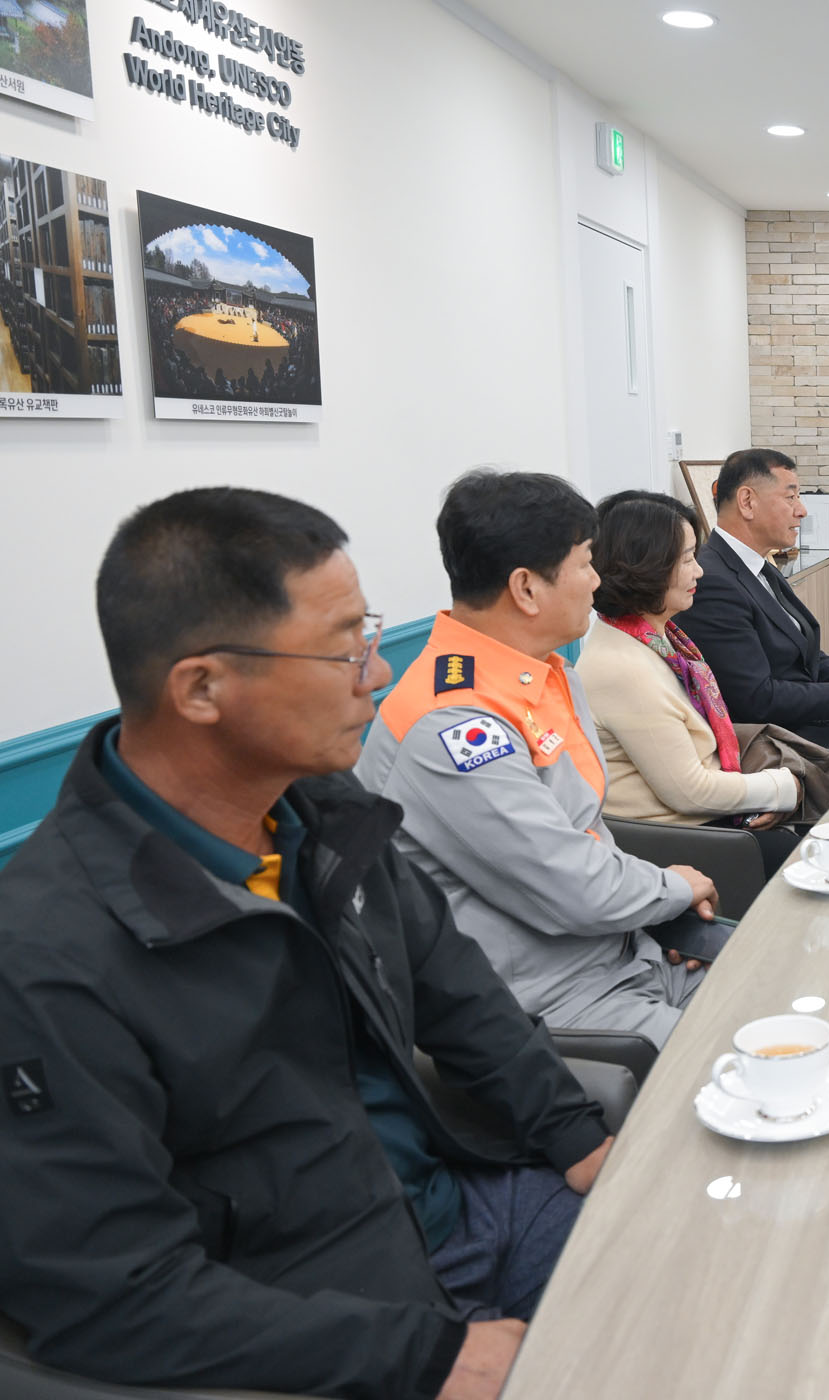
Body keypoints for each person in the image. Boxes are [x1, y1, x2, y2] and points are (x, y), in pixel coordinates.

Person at [0, 488, 611, 1399]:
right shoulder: (47, 953)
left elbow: (455, 989)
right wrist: (426, 1356)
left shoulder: (320, 815)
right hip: (323, 1315)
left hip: (462, 1207)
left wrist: (575, 1134)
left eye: (369, 633)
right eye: (343, 648)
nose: (376, 672)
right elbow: (113, 1293)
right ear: (201, 688)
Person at [356, 469, 723, 1049]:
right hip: (549, 1000)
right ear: (526, 588)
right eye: (585, 563)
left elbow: (586, 834)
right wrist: (671, 888)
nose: (597, 580)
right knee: (754, 1061)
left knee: (793, 988)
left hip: (623, 955)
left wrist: (655, 917)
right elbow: (571, 882)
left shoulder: (547, 674)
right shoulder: (452, 725)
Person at [576, 491, 807, 875]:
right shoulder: (624, 669)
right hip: (679, 843)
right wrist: (786, 787)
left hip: (698, 823)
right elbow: (690, 791)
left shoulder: (657, 638)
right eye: (686, 559)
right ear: (646, 566)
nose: (699, 571)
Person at [676, 448, 829, 783]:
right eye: (791, 497)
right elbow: (755, 700)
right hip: (791, 748)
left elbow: (802, 657)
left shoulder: (757, 565)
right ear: (747, 502)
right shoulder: (713, 582)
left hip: (817, 727)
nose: (802, 510)